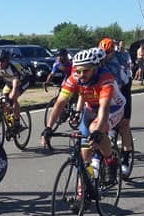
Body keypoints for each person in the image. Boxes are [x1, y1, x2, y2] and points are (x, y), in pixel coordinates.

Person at [40, 47, 125, 185]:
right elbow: (60, 103)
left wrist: (98, 131)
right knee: (84, 155)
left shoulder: (105, 79)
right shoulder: (75, 78)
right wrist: (48, 127)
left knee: (94, 129)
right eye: (78, 71)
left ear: (95, 68)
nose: (81, 74)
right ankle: (84, 191)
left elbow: (104, 108)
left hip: (114, 107)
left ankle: (110, 160)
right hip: (91, 107)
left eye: (86, 70)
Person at [98, 37, 135, 178]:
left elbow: (117, 86)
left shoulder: (119, 60)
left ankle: (125, 159)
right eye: (103, 52)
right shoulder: (98, 60)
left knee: (124, 125)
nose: (105, 55)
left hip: (122, 90)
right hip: (107, 90)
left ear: (113, 51)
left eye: (108, 52)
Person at [0, 49, 34, 126]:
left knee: (13, 98)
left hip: (23, 81)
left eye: (2, 61)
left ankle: (17, 121)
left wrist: (10, 99)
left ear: (7, 61)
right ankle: (10, 124)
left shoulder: (13, 67)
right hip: (9, 83)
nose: (0, 63)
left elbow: (15, 87)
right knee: (4, 103)